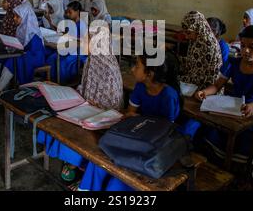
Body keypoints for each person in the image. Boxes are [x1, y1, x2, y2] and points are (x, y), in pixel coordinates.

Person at [78, 53, 184, 191]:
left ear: (149, 74)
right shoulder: (140, 86)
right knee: (99, 157)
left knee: (115, 167)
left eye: (137, 66)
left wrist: (138, 118)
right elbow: (130, 113)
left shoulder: (168, 95)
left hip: (155, 145)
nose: (132, 69)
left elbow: (165, 130)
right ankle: (86, 188)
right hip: (139, 135)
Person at [38, 26, 124, 186]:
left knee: (74, 129)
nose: (85, 42)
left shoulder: (109, 69)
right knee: (57, 119)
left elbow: (112, 107)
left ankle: (79, 164)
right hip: (85, 109)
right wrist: (68, 92)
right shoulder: (92, 60)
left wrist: (89, 104)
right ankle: (73, 161)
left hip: (102, 120)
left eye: (89, 40)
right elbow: (84, 88)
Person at [195, 25, 253, 163]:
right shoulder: (233, 63)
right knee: (210, 131)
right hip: (233, 107)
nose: (245, 50)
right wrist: (203, 92)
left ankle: (245, 174)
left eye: (252, 47)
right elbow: (216, 86)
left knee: (246, 143)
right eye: (243, 45)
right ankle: (222, 168)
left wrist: (251, 106)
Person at [0, 2, 46, 102]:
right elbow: (18, 44)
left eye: (17, 16)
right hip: (22, 53)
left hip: (34, 57)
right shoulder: (21, 28)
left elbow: (33, 52)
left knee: (12, 60)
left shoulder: (33, 33)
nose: (14, 18)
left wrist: (17, 50)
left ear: (25, 17)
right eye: (14, 16)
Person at [46, 1, 88, 84]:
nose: (68, 14)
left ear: (77, 12)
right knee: (51, 58)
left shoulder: (81, 25)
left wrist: (63, 46)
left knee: (62, 63)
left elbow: (80, 43)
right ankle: (52, 81)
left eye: (70, 12)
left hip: (78, 52)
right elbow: (66, 35)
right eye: (67, 12)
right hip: (70, 48)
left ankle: (63, 83)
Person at [179, 11, 223, 90]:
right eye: (185, 32)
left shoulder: (207, 46)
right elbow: (193, 62)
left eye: (188, 33)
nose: (186, 37)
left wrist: (178, 78)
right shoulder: (197, 40)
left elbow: (199, 78)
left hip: (205, 89)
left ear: (199, 28)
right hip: (195, 80)